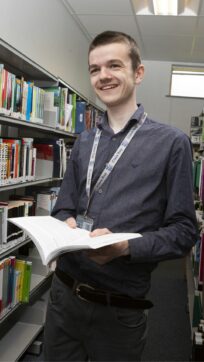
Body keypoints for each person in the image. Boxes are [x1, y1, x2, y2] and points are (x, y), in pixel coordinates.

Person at [44, 30, 197, 361]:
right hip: (64, 298)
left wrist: (125, 247)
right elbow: (63, 207)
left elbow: (185, 231)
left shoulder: (172, 143)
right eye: (95, 69)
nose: (103, 76)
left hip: (119, 309)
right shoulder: (83, 140)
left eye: (114, 65)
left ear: (138, 73)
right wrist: (64, 223)